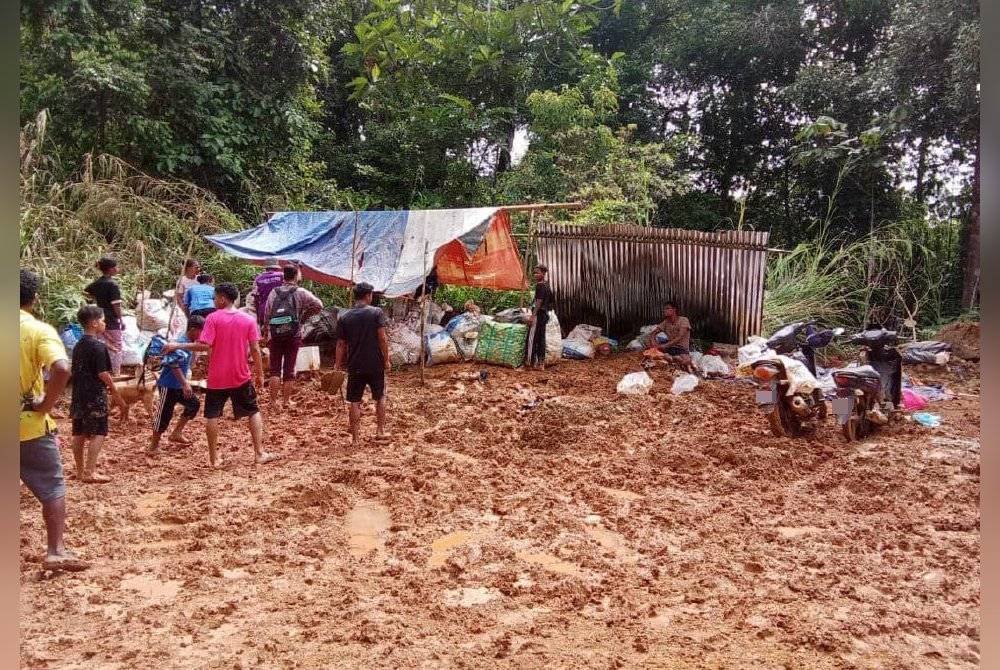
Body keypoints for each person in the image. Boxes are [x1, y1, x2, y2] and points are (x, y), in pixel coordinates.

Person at [164, 282, 280, 468]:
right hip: (240, 375)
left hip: (217, 377)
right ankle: (259, 453)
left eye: (215, 297)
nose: (213, 301)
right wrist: (259, 374)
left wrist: (177, 345)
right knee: (253, 411)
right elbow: (255, 349)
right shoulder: (247, 320)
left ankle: (213, 459)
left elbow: (204, 345)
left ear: (223, 298)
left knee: (212, 415)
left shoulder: (213, 319)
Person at [20, 269, 90, 571]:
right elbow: (62, 368)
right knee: (52, 486)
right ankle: (55, 550)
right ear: (33, 298)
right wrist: (46, 404)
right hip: (26, 425)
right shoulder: (37, 330)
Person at [70, 305, 127, 484]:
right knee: (99, 432)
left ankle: (80, 471)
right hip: (94, 394)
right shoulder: (98, 346)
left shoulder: (78, 345)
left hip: (78, 393)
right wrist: (115, 391)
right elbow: (103, 373)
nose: (104, 323)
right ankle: (89, 472)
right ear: (94, 323)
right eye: (102, 320)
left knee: (78, 432)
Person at [335, 282, 391, 448]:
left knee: (354, 401)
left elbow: (340, 344)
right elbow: (382, 338)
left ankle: (355, 439)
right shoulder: (376, 313)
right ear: (368, 296)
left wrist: (337, 365)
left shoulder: (345, 317)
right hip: (375, 363)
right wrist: (386, 359)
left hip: (355, 364)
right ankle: (380, 431)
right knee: (380, 396)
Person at [263, 264, 323, 410]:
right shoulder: (300, 292)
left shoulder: (273, 292)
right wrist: (303, 317)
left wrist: (266, 332)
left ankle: (272, 402)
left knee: (275, 369)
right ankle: (286, 401)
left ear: (284, 276)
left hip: (275, 334)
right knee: (289, 368)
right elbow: (319, 305)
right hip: (293, 334)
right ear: (296, 275)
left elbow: (266, 314)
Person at [147, 315, 205, 455]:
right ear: (193, 329)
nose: (202, 334)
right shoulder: (179, 342)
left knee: (194, 404)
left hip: (178, 385)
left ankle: (176, 432)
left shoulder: (188, 343)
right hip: (168, 385)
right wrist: (185, 384)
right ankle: (153, 447)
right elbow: (174, 365)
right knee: (164, 414)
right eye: (201, 331)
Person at [83, 257, 125, 376]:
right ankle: (115, 374)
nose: (118, 269)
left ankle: (102, 372)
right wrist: (121, 320)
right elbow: (117, 306)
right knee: (116, 346)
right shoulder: (113, 285)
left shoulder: (97, 283)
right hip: (111, 320)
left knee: (102, 344)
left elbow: (85, 292)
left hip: (100, 318)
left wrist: (95, 301)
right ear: (111, 269)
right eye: (116, 267)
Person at [646, 302, 693, 370]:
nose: (665, 311)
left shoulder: (684, 320)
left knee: (686, 361)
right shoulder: (666, 322)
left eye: (667, 308)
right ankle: (671, 358)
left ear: (674, 310)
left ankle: (673, 358)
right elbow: (653, 333)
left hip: (681, 349)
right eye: (664, 309)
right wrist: (654, 343)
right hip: (670, 348)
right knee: (650, 349)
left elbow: (679, 337)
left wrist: (664, 346)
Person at [526, 265, 554, 370]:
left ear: (543, 274)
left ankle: (529, 363)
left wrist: (532, 316)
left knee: (532, 339)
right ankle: (541, 363)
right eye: (534, 273)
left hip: (538, 314)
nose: (535, 275)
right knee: (541, 339)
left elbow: (538, 301)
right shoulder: (547, 285)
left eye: (537, 273)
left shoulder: (540, 285)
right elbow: (550, 301)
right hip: (544, 314)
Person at [250, 258, 284, 333]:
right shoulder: (282, 276)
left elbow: (256, 298)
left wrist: (259, 316)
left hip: (264, 310)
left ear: (266, 267)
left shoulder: (258, 279)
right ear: (276, 267)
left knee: (266, 335)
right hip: (281, 310)